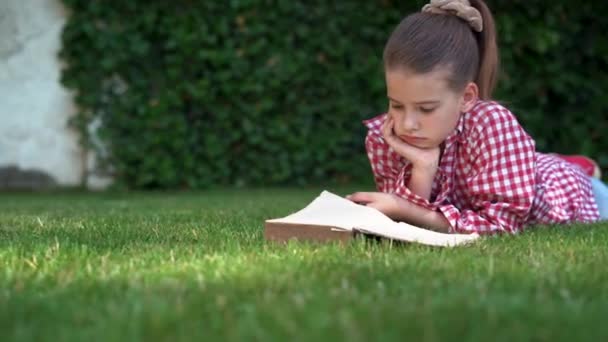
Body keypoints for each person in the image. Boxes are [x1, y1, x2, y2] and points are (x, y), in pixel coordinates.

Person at [346, 0, 607, 234]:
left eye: (426, 109)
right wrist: (423, 169)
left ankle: (575, 168)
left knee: (569, 179)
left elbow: (501, 226)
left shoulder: (491, 124)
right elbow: (408, 229)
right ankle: (555, 161)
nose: (407, 124)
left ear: (467, 97)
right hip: (506, 163)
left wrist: (405, 208)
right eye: (396, 105)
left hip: (570, 191)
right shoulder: (384, 136)